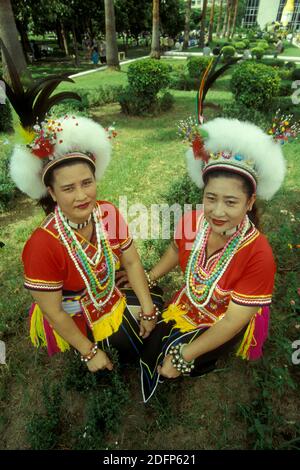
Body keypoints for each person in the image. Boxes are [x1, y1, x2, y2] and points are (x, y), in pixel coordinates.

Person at [10, 115, 164, 402]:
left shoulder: (107, 212)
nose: (81, 196)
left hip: (109, 293)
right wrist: (89, 352)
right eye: (68, 189)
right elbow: (54, 311)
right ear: (52, 193)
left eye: (87, 183)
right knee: (134, 346)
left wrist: (146, 309)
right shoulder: (42, 245)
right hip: (75, 313)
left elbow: (131, 262)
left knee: (157, 305)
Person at [142, 116, 286, 393]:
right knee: (146, 346)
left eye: (231, 202)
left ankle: (202, 359)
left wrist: (184, 356)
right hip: (186, 305)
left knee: (171, 360)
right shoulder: (193, 220)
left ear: (250, 202)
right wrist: (150, 277)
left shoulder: (259, 254)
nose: (217, 212)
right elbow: (176, 250)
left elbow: (233, 320)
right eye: (211, 198)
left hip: (225, 321)